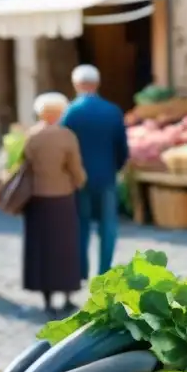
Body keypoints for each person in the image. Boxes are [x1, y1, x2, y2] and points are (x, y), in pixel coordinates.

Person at [20, 92, 86, 314]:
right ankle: (67, 295)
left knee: (42, 248)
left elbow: (23, 164)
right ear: (60, 112)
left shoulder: (31, 136)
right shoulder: (67, 136)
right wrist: (80, 182)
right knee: (65, 247)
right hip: (62, 196)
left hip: (38, 199)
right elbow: (75, 169)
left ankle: (47, 299)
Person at [61, 64, 128, 280]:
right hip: (107, 176)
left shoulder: (70, 112)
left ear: (76, 84)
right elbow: (122, 149)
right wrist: (113, 168)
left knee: (81, 225)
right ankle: (104, 272)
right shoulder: (113, 111)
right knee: (108, 227)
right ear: (97, 83)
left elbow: (63, 148)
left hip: (79, 180)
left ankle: (81, 270)